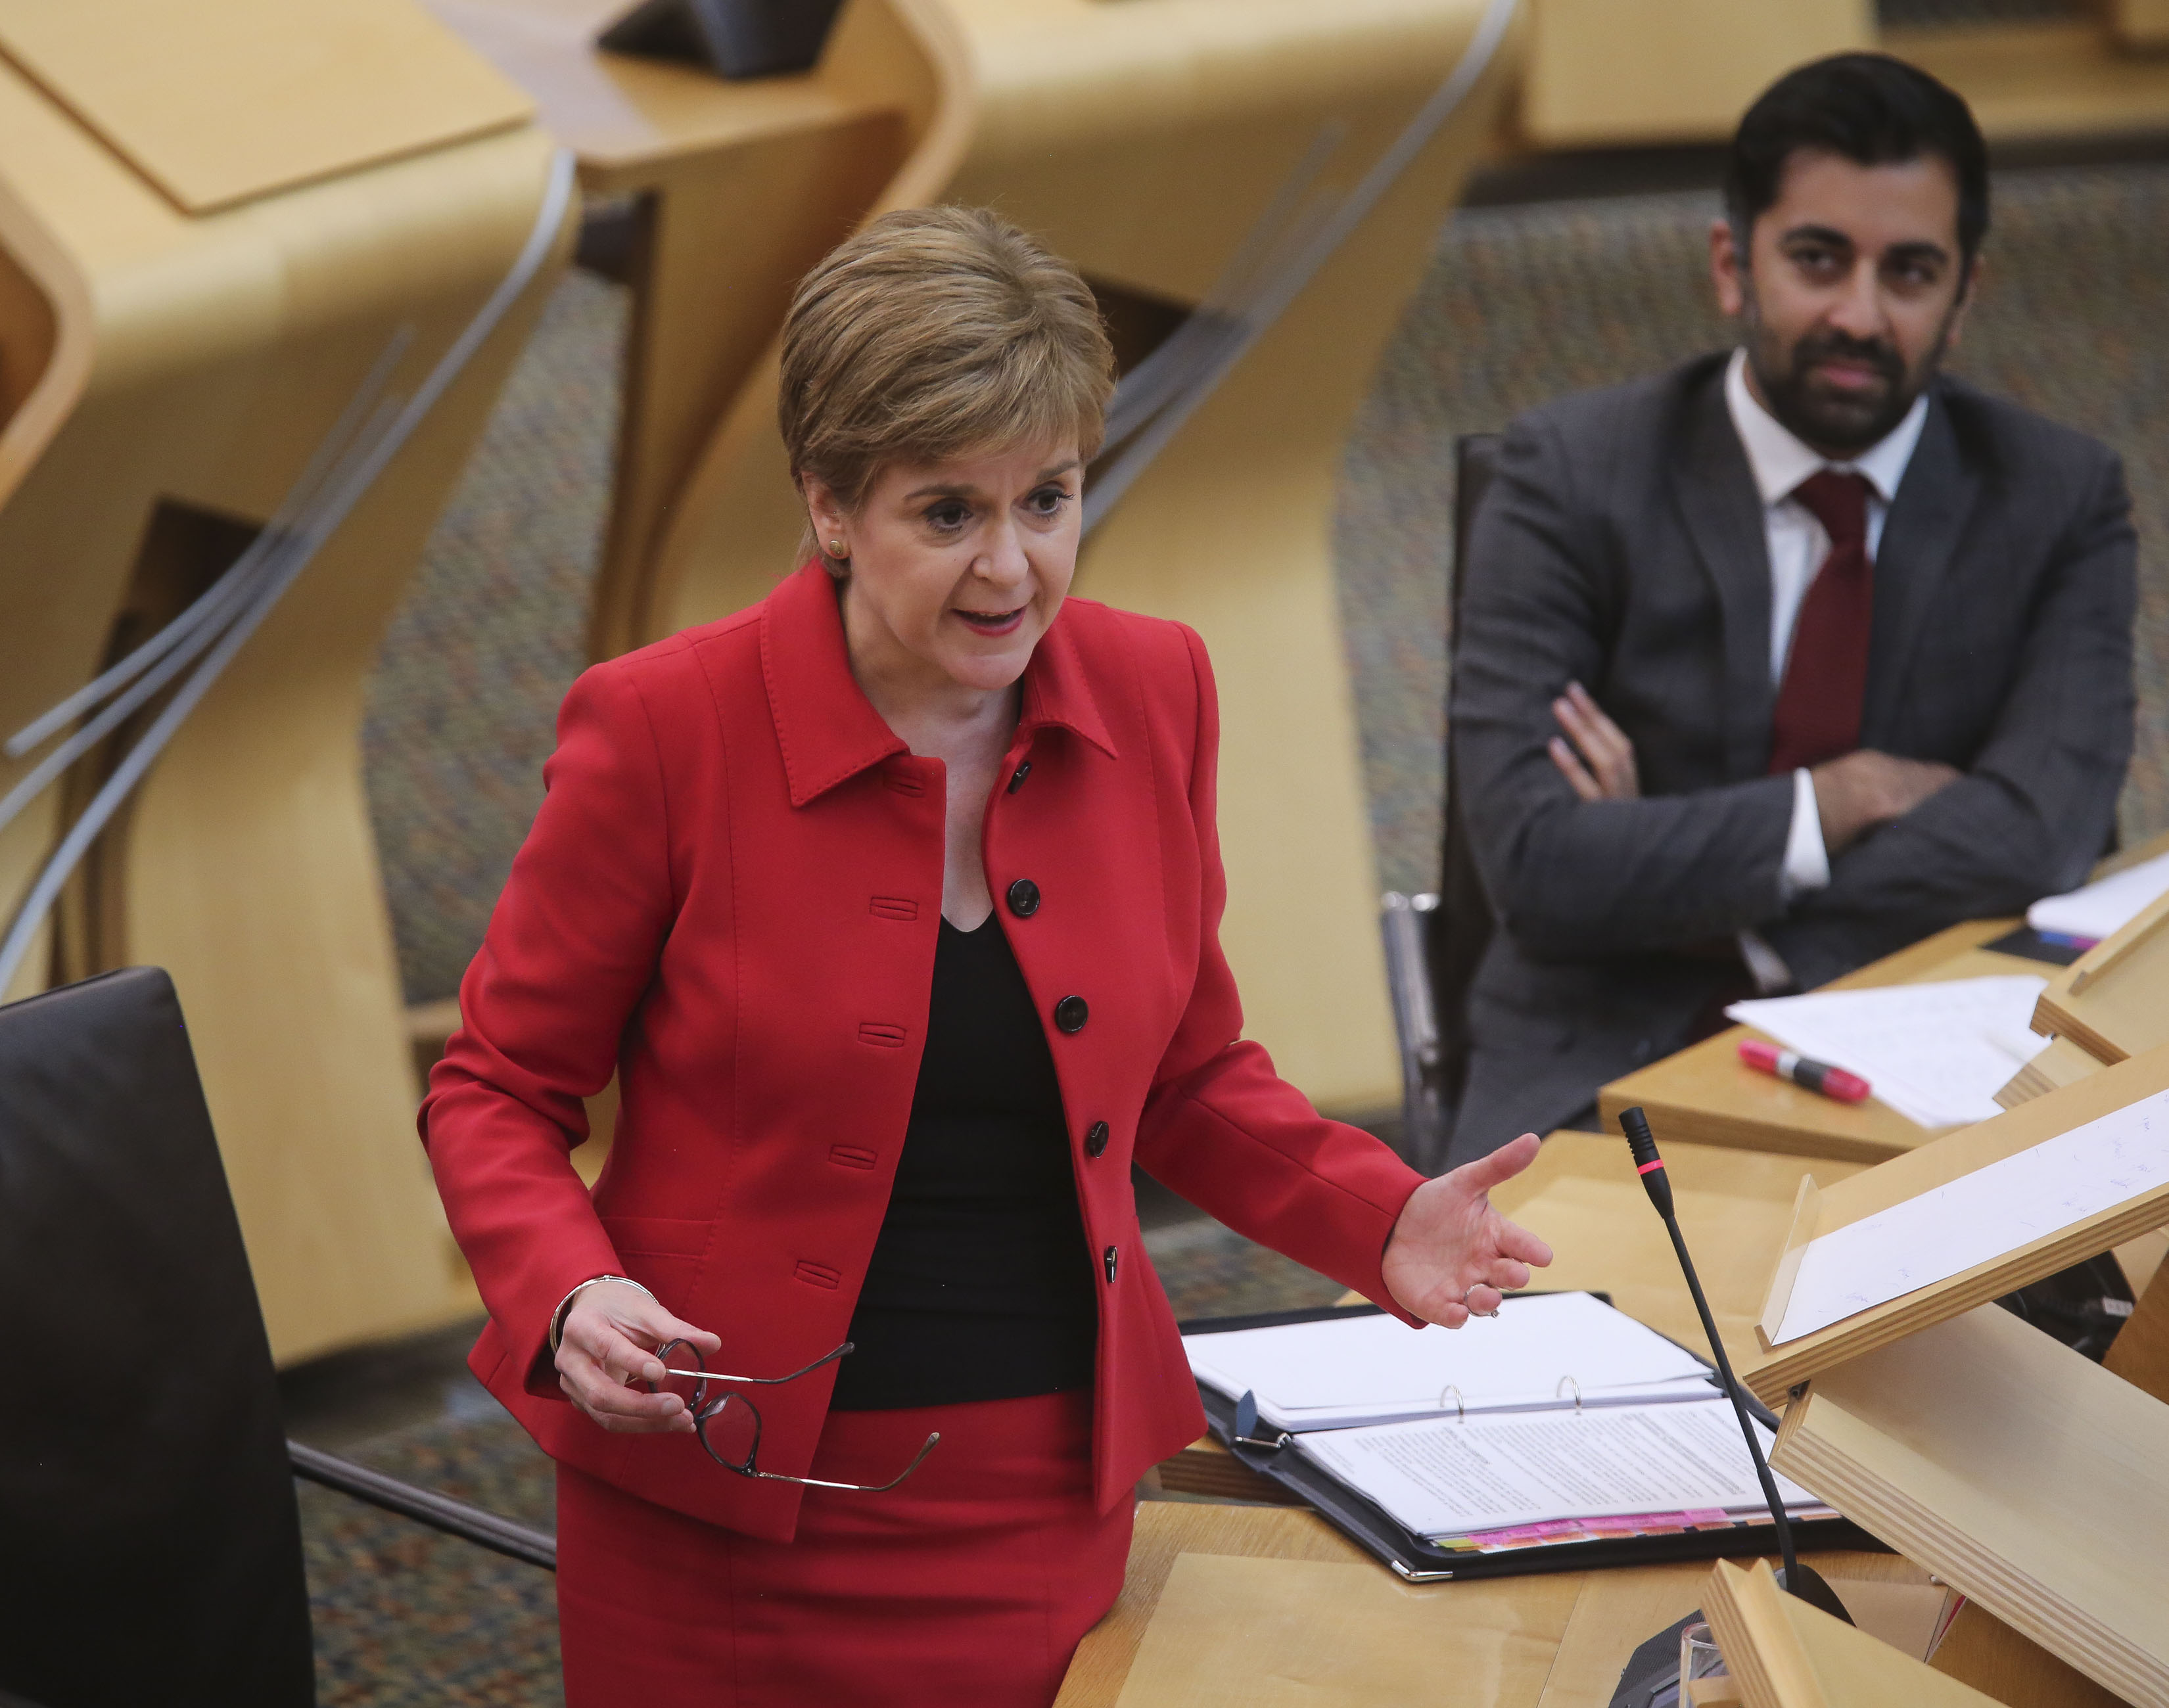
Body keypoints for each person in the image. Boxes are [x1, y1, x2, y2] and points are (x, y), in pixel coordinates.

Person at [423, 206, 1554, 1707]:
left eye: (1049, 498)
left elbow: (1188, 1073)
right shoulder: (665, 731)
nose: (1011, 567)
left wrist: (1381, 1215)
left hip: (1037, 1490)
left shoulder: (1155, 690)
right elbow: (495, 1088)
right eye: (947, 512)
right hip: (718, 1503)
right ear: (828, 505)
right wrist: (570, 1294)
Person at [1443, 53, 2137, 1164]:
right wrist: (1845, 797)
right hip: (1599, 1065)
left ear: (1964, 300)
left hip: (1928, 1059)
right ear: (1733, 265)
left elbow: (2041, 836)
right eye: (1819, 260)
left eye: (1910, 273)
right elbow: (1536, 866)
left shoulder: (2059, 499)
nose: (1858, 315)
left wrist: (1664, 860)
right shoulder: (1566, 476)